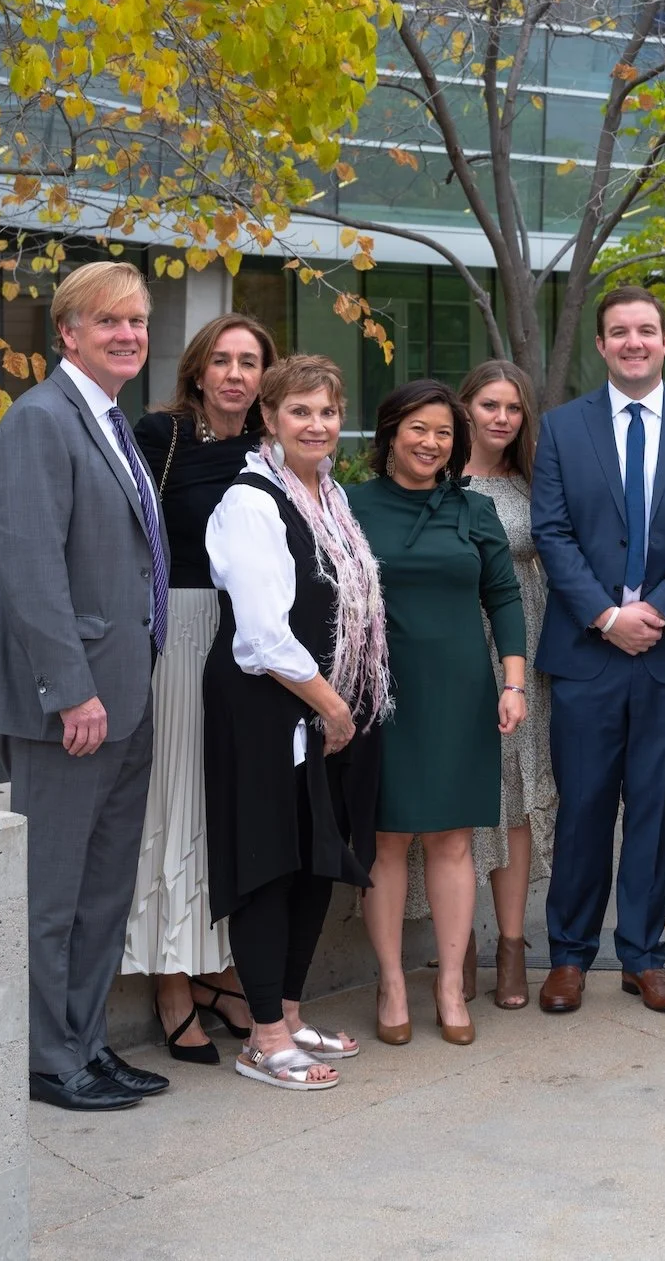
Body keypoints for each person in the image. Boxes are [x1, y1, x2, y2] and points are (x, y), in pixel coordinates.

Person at [0, 260, 173, 1111]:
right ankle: (48, 1058)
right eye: (108, 322)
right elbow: (28, 571)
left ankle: (86, 1046)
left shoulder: (113, 424)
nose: (128, 334)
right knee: (53, 895)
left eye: (136, 321)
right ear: (68, 333)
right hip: (73, 707)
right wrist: (73, 689)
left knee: (105, 891)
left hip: (127, 696)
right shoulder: (39, 421)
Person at [531, 285, 665, 1016]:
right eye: (618, 331)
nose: (633, 342)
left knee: (653, 807)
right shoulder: (560, 427)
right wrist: (603, 613)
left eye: (645, 330)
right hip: (588, 651)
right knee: (583, 804)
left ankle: (645, 956)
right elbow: (551, 531)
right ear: (600, 344)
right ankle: (568, 955)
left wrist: (656, 609)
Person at [204, 354, 389, 1091]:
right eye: (300, 412)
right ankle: (263, 1038)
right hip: (268, 709)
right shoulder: (252, 501)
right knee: (269, 868)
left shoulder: (329, 494)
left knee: (316, 862)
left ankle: (287, 1009)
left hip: (320, 711)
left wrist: (340, 703)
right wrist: (333, 702)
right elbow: (259, 634)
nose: (317, 425)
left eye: (328, 412)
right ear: (269, 420)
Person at [350, 380, 527, 1047]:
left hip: (461, 687)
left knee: (453, 839)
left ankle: (451, 981)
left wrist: (512, 683)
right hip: (381, 690)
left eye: (444, 433)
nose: (431, 442)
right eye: (418, 428)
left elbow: (504, 599)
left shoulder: (473, 509)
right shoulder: (350, 505)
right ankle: (392, 979)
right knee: (387, 837)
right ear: (390, 431)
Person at [126, 313, 277, 1065]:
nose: (235, 374)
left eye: (249, 361)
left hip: (251, 643)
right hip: (179, 635)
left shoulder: (273, 447)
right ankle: (171, 981)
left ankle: (220, 970)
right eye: (221, 359)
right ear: (197, 369)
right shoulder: (162, 436)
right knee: (176, 804)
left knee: (226, 812)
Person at [457, 360, 557, 1010]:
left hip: (524, 650)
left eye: (513, 407)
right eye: (489, 404)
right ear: (464, 406)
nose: (501, 416)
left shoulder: (536, 482)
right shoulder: (434, 477)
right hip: (455, 647)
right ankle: (458, 941)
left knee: (517, 797)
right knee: (459, 799)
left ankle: (514, 947)